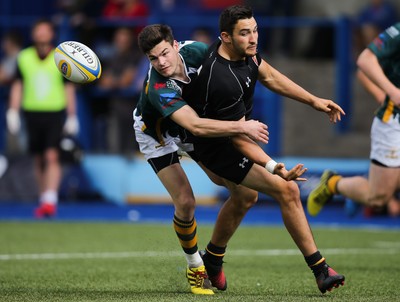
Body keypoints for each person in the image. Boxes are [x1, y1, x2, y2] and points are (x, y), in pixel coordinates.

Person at [184, 5, 345, 294]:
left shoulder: (246, 55)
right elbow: (238, 137)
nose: (254, 37)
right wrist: (275, 168)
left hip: (225, 137)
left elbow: (269, 76)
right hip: (214, 145)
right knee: (287, 190)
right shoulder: (221, 78)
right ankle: (321, 270)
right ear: (226, 37)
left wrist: (314, 100)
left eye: (255, 30)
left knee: (245, 196)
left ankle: (212, 260)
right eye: (245, 33)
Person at [133, 24, 271, 295]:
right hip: (157, 135)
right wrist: (242, 127)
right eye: (152, 58)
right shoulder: (157, 87)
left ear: (175, 46)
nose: (160, 62)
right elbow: (196, 126)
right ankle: (196, 265)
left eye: (164, 53)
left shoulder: (197, 51)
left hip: (188, 126)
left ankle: (215, 256)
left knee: (243, 193)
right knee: (185, 201)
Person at [308, 23, 400, 220]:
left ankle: (365, 185)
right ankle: (333, 184)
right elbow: (364, 64)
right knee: (378, 197)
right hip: (394, 120)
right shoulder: (397, 35)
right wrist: (388, 93)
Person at [6, 19, 79, 218]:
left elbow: (68, 87)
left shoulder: (60, 58)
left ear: (51, 34)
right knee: (38, 158)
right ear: (33, 34)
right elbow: (18, 85)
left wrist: (72, 115)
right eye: (38, 31)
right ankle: (43, 197)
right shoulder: (24, 57)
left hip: (54, 112)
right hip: (32, 112)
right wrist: (12, 111)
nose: (41, 34)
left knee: (52, 155)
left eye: (45, 31)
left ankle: (50, 199)